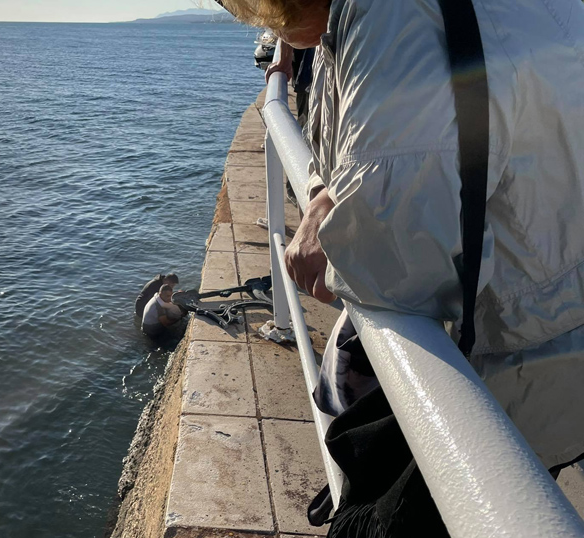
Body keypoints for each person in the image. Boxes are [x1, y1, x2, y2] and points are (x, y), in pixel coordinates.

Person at [221, 0, 584, 475]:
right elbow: (394, 145)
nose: (262, 23)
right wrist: (327, 192)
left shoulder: (388, 14)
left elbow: (395, 264)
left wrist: (335, 243)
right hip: (532, 303)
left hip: (524, 342)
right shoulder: (357, 18)